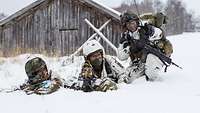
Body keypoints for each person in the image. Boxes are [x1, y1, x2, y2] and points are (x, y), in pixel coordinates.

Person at [117, 10, 173, 83]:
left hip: (154, 56)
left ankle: (149, 83)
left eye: (132, 23)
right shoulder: (126, 37)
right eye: (128, 24)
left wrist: (151, 31)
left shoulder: (145, 29)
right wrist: (128, 48)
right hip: (138, 62)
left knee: (151, 74)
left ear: (137, 22)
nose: (131, 26)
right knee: (126, 80)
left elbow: (160, 34)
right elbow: (121, 57)